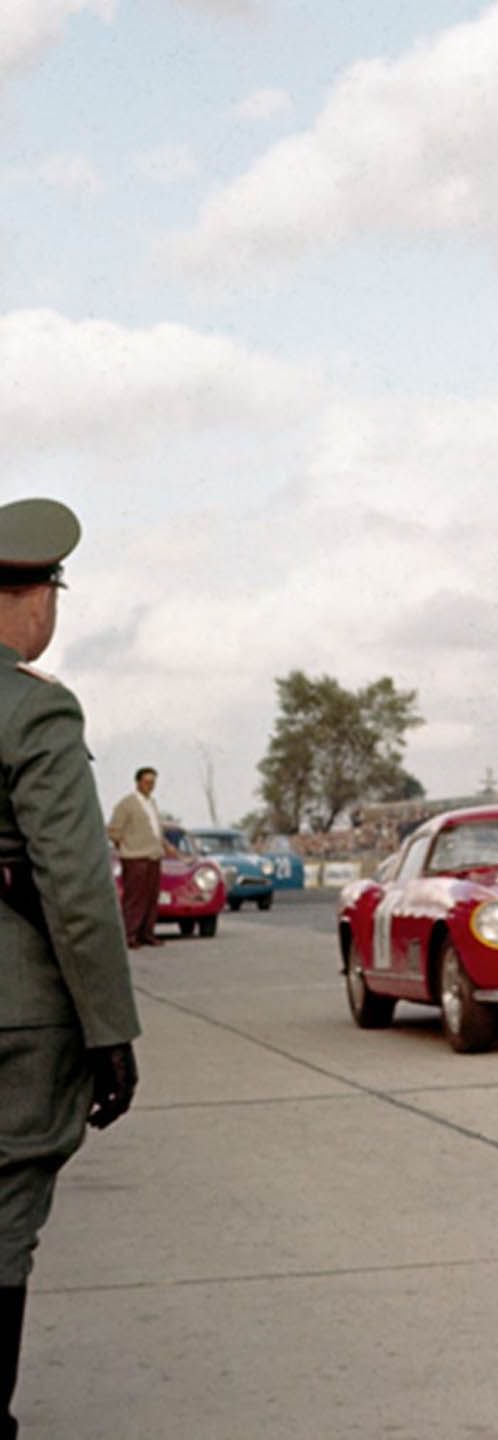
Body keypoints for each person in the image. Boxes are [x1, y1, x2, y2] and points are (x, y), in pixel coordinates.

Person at [0, 498, 141, 1438]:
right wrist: (112, 1032)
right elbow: (78, 890)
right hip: (17, 1011)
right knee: (6, 1216)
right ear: (27, 597)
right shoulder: (35, 707)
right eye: (52, 587)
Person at [106, 766, 177, 949]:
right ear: (138, 782)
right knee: (134, 898)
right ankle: (129, 935)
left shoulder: (152, 804)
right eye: (146, 782)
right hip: (135, 857)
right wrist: (126, 846)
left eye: (153, 783)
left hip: (153, 856)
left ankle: (147, 933)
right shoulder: (126, 804)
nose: (150, 786)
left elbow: (156, 830)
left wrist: (166, 846)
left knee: (151, 897)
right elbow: (113, 830)